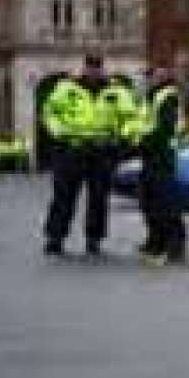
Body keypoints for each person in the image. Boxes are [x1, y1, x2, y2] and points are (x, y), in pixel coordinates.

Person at [42, 54, 136, 257]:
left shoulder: (116, 91)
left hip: (102, 149)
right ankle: (55, 238)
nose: (93, 71)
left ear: (102, 69)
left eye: (97, 67)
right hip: (72, 147)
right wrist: (58, 132)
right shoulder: (66, 89)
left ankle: (94, 240)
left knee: (99, 197)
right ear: (83, 68)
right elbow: (50, 112)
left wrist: (123, 136)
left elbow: (129, 116)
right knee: (63, 196)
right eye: (90, 67)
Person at [129, 68, 187, 264]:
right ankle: (155, 241)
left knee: (165, 203)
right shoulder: (151, 97)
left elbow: (164, 129)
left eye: (152, 76)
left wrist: (141, 144)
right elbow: (144, 125)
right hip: (151, 155)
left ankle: (172, 246)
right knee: (149, 201)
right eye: (148, 76)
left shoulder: (167, 96)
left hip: (162, 156)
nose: (148, 79)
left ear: (162, 78)